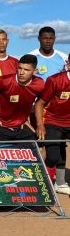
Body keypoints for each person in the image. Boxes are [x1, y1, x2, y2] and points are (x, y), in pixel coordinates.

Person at [0, 54, 44, 141]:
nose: (21, 72)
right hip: (0, 124)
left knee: (40, 150)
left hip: (21, 125)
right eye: (20, 68)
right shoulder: (4, 81)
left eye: (26, 70)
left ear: (35, 71)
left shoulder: (39, 84)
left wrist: (37, 124)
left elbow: (41, 102)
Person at [35, 54, 70, 194]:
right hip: (53, 120)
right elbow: (40, 103)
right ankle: (46, 186)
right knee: (54, 155)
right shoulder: (55, 80)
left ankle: (60, 184)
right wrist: (40, 124)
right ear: (68, 64)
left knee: (60, 150)